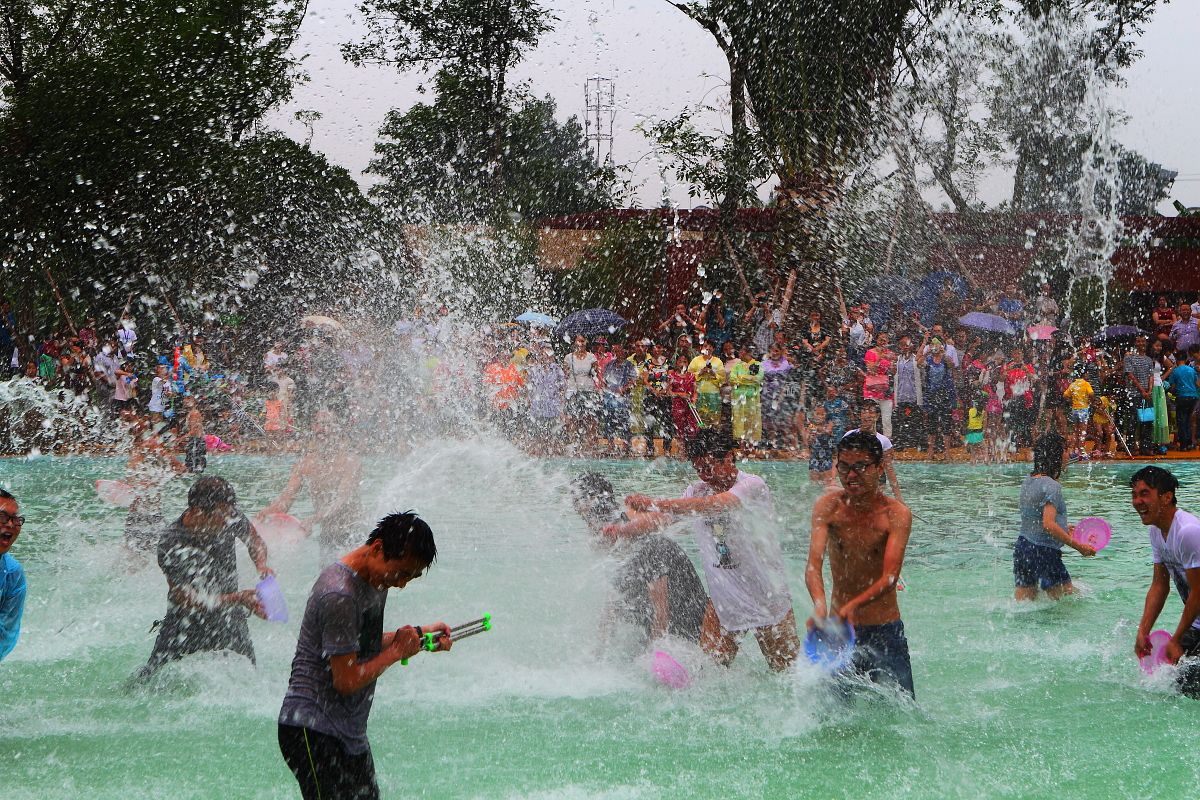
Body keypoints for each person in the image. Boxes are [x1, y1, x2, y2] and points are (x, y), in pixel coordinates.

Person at [278, 512, 451, 799]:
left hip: (347, 731)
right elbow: (345, 680)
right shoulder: (340, 593)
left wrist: (418, 636)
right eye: (402, 572)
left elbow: (361, 646)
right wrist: (397, 651)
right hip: (312, 728)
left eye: (412, 576)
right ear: (378, 548)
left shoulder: (376, 579)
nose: (403, 583)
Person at [602, 431, 799, 671]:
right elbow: (660, 520)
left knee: (786, 676)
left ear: (728, 458)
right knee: (709, 677)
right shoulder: (696, 490)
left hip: (766, 598)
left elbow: (713, 506)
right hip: (722, 604)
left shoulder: (752, 486)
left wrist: (653, 502)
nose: (705, 476)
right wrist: (623, 531)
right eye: (698, 470)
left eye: (709, 468)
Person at [805, 431, 915, 697]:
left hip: (884, 631)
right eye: (844, 466)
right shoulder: (828, 507)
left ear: (879, 468)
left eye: (860, 467)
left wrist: (852, 606)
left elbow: (890, 577)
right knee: (836, 717)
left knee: (899, 715)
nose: (851, 475)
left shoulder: (896, 514)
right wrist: (820, 605)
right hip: (838, 634)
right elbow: (813, 566)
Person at [134, 478, 273, 680]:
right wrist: (240, 598)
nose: (228, 521)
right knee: (150, 682)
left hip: (229, 619)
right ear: (199, 511)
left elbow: (255, 541)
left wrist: (261, 565)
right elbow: (185, 598)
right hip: (185, 625)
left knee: (250, 678)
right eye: (222, 516)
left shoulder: (229, 515)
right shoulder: (171, 541)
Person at [571, 473, 708, 646]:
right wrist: (598, 650)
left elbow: (661, 610)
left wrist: (653, 654)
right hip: (659, 623)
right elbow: (613, 600)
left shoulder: (650, 544)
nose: (575, 507)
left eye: (577, 500)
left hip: (687, 629)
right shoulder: (615, 549)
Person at [263, 410, 367, 566]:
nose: (322, 429)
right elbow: (286, 500)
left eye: (327, 425)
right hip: (328, 536)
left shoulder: (351, 462)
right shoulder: (304, 464)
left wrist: (314, 519)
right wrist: (263, 515)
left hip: (354, 534)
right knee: (326, 586)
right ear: (313, 428)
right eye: (319, 424)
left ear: (338, 430)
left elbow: (341, 499)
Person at [1130, 466, 1200, 697]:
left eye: (1144, 493)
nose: (1137, 501)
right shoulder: (1157, 531)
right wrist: (1143, 630)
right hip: (1197, 626)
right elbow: (1160, 585)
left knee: (1187, 687)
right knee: (1170, 682)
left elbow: (1198, 592)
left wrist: (1177, 639)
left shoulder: (1188, 532)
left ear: (1166, 497)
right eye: (1134, 494)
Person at [1014, 432, 1096, 601]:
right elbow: (1048, 525)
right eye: (1065, 450)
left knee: (1023, 604)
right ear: (1056, 455)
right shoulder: (1052, 486)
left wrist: (1064, 528)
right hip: (1044, 552)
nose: (1068, 454)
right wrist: (1079, 547)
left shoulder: (1027, 481)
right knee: (1066, 603)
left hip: (1023, 548)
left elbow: (1034, 518)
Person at [841, 402, 903, 502]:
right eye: (864, 411)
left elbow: (889, 469)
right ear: (860, 415)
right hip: (855, 476)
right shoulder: (849, 435)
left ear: (877, 416)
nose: (868, 415)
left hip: (876, 479)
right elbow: (841, 460)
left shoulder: (884, 441)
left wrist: (899, 498)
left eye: (871, 412)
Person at [0, 489, 27, 661]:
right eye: (2, 517)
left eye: (16, 519)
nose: (10, 524)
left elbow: (6, 636)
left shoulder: (12, 574)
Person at [688, 343, 725, 428]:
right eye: (705, 346)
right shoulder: (695, 360)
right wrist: (700, 373)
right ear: (701, 348)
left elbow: (722, 379)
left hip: (714, 394)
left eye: (710, 346)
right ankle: (700, 436)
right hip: (698, 393)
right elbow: (688, 376)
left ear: (713, 348)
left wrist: (713, 374)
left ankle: (714, 436)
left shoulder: (718, 361)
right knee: (699, 418)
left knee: (714, 418)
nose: (708, 348)